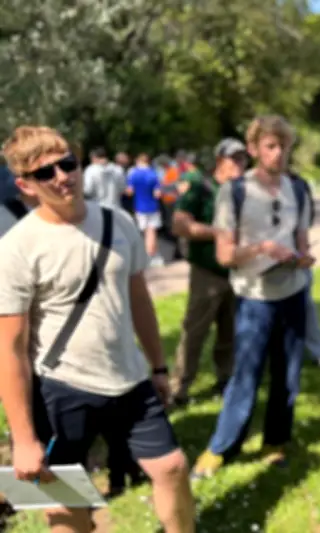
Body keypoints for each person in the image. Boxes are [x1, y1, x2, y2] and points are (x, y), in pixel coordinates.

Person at [0, 126, 195, 532]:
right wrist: (23, 438)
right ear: (25, 185)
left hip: (131, 379)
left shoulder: (118, 221)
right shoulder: (17, 246)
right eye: (44, 173)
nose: (61, 177)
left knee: (172, 467)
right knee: (67, 508)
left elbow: (140, 301)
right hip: (61, 389)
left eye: (67, 163)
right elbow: (11, 349)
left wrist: (159, 368)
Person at [193, 115, 314, 477]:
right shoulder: (236, 191)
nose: (278, 154)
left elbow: (303, 241)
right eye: (270, 146)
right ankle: (221, 447)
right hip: (254, 297)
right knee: (245, 375)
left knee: (287, 375)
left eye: (284, 147)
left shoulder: (300, 188)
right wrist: (262, 249)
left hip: (292, 292)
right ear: (254, 148)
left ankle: (275, 442)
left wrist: (301, 258)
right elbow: (224, 255)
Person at [168, 139, 244, 407]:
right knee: (194, 332)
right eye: (233, 158)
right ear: (219, 160)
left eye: (243, 159)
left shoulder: (243, 190)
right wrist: (217, 232)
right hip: (207, 273)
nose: (239, 164)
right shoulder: (201, 186)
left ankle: (226, 379)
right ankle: (179, 388)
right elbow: (179, 224)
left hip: (236, 273)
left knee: (230, 331)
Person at [287, 169, 320, 375]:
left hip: (296, 256)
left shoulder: (298, 184)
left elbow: (307, 221)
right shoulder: (254, 183)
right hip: (267, 260)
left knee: (306, 307)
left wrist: (302, 250)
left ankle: (318, 353)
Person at [126, 153, 164, 266]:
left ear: (138, 161)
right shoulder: (153, 174)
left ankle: (145, 256)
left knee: (143, 232)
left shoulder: (133, 174)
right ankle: (152, 256)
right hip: (152, 206)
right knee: (152, 231)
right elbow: (157, 194)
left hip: (139, 206)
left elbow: (130, 191)